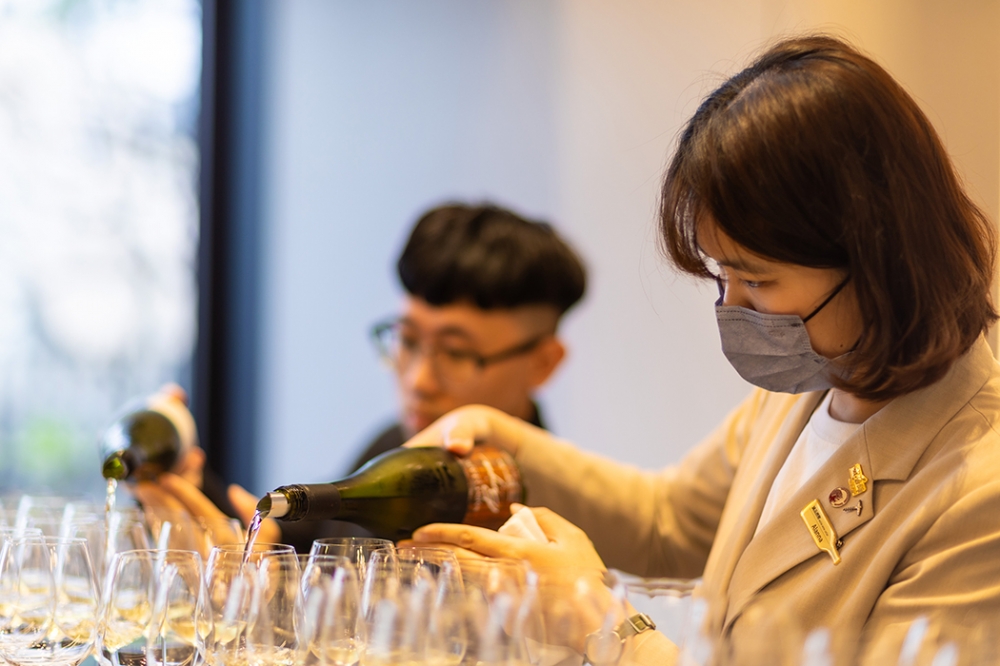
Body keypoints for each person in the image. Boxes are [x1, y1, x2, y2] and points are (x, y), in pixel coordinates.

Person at [403, 35, 1000, 663]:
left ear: (875, 260)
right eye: (721, 276)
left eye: (757, 281)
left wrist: (605, 626)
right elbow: (667, 523)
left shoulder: (977, 495)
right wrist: (501, 437)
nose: (731, 308)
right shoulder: (811, 384)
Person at [133, 202, 587, 552]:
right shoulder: (396, 445)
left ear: (544, 363)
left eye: (456, 353)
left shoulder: (552, 527)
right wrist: (185, 482)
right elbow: (295, 542)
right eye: (408, 340)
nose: (419, 380)